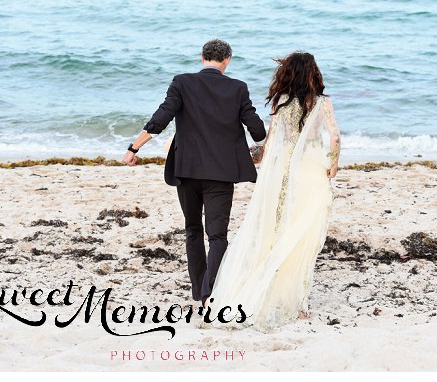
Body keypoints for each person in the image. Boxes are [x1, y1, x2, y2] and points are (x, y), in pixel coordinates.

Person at [122, 38, 267, 305]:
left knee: (192, 229)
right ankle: (210, 292)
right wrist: (265, 143)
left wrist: (134, 148)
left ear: (202, 58)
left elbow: (161, 118)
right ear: (227, 60)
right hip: (221, 173)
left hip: (187, 170)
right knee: (218, 234)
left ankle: (199, 289)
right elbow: (256, 129)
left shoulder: (182, 82)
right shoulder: (238, 88)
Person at [208, 51, 343, 327]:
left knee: (275, 228)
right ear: (313, 73)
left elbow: (269, 142)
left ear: (287, 73)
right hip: (309, 170)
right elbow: (335, 136)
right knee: (303, 235)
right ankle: (298, 303)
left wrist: (255, 155)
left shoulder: (280, 101)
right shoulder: (322, 102)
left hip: (281, 171)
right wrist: (334, 163)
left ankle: (269, 286)